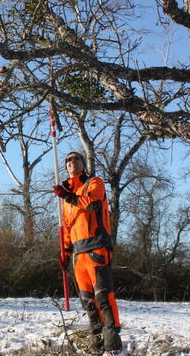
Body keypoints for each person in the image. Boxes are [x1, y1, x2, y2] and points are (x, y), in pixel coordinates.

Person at [53, 151, 124, 356]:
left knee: (104, 297)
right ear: (65, 167)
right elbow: (68, 226)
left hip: (97, 248)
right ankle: (97, 343)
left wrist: (67, 195)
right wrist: (66, 252)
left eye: (76, 158)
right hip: (78, 253)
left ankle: (113, 347)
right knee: (88, 302)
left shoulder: (94, 183)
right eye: (68, 160)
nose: (71, 161)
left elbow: (92, 204)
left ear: (83, 164)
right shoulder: (67, 198)